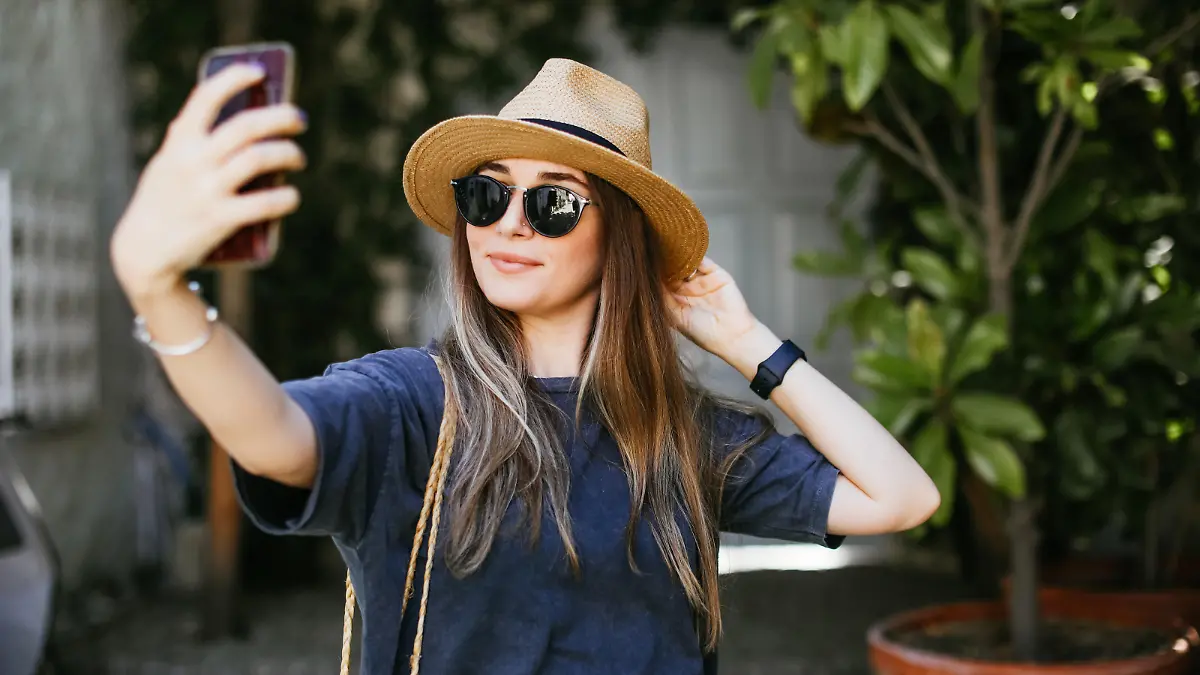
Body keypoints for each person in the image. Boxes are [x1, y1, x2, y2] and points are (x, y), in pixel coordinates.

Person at [109, 57, 940, 675]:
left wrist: (750, 342)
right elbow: (273, 437)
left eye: (552, 202)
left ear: (617, 234)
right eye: (486, 194)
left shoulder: (683, 434)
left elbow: (902, 496)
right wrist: (162, 295)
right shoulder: (413, 401)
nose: (509, 223)